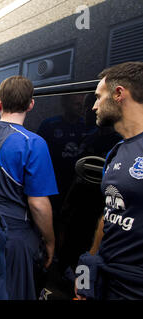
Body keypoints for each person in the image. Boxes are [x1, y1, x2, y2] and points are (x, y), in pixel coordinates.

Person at [0, 75, 58, 299]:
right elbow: (38, 204)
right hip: (15, 238)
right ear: (31, 104)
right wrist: (50, 241)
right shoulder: (33, 143)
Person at [75, 61, 143, 300]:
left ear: (118, 94)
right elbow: (109, 214)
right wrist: (87, 272)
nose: (94, 106)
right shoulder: (116, 152)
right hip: (106, 281)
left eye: (98, 97)